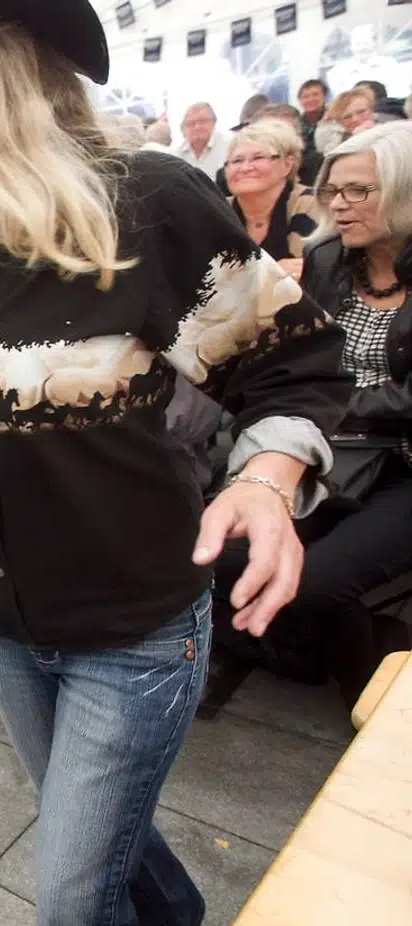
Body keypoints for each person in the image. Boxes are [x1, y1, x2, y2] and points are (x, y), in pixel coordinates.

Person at [0, 3, 349, 926]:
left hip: (137, 626)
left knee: (68, 906)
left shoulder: (141, 201)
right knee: (90, 835)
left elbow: (294, 363)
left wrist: (266, 479)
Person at [209, 123, 412, 714]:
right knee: (222, 546)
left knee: (317, 582)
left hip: (402, 462)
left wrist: (329, 404)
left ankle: (372, 692)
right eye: (333, 192)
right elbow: (304, 362)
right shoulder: (326, 256)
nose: (341, 206)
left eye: (360, 191)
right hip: (335, 447)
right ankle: (299, 651)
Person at [226, 120, 320, 281]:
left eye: (258, 157)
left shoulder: (309, 203)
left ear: (287, 165)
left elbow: (309, 274)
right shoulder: (216, 209)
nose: (245, 168)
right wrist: (272, 272)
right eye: (237, 161)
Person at [175, 102, 230, 181]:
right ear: (183, 128)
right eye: (191, 123)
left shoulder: (229, 147)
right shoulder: (176, 153)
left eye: (203, 121)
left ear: (214, 123)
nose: (197, 127)